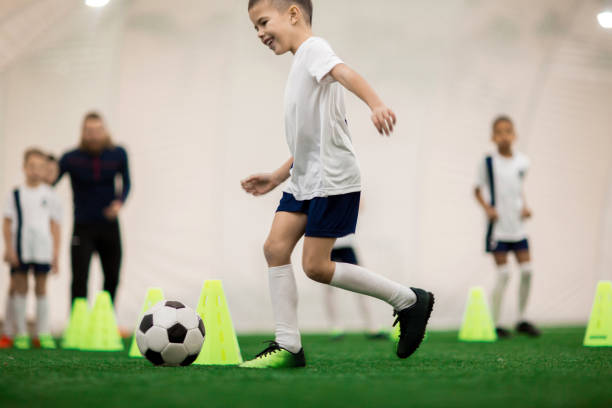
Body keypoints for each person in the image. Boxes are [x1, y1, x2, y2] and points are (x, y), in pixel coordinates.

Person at [240, 0, 434, 368]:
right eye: (255, 28)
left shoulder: (314, 50)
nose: (260, 33)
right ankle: (288, 347)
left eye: (264, 22)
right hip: (303, 180)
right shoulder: (300, 62)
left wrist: (375, 104)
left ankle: (408, 300)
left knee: (316, 266)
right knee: (275, 248)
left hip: (331, 180)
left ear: (294, 14)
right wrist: (277, 176)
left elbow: (346, 72)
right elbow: (310, 141)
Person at [474, 115, 540, 338]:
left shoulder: (523, 162)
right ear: (493, 136)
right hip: (498, 229)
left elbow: (517, 189)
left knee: (527, 271)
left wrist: (525, 207)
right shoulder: (488, 162)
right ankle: (497, 322)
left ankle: (522, 319)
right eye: (499, 132)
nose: (504, 136)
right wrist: (487, 208)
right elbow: (476, 189)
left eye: (508, 131)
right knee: (503, 274)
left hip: (518, 227)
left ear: (515, 135)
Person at [56, 112, 131, 302]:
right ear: (82, 132)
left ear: (105, 130)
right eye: (89, 131)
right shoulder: (70, 158)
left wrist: (119, 202)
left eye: (98, 130)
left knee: (112, 276)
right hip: (83, 225)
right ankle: (77, 323)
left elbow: (127, 183)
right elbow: (51, 179)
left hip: (109, 224)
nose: (94, 135)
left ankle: (105, 322)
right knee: (80, 278)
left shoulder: (118, 154)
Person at [1, 148, 62, 349]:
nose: (35, 171)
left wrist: (55, 253)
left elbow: (55, 225)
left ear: (46, 170)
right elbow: (8, 222)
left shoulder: (51, 195)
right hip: (21, 248)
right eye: (31, 166)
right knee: (20, 287)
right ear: (24, 167)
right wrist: (9, 248)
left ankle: (43, 333)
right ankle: (20, 333)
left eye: (40, 167)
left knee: (41, 288)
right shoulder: (15, 194)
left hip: (43, 249)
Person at [324, 234, 387, 340]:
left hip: (345, 243)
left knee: (361, 284)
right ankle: (335, 328)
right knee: (328, 287)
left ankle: (372, 327)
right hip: (324, 243)